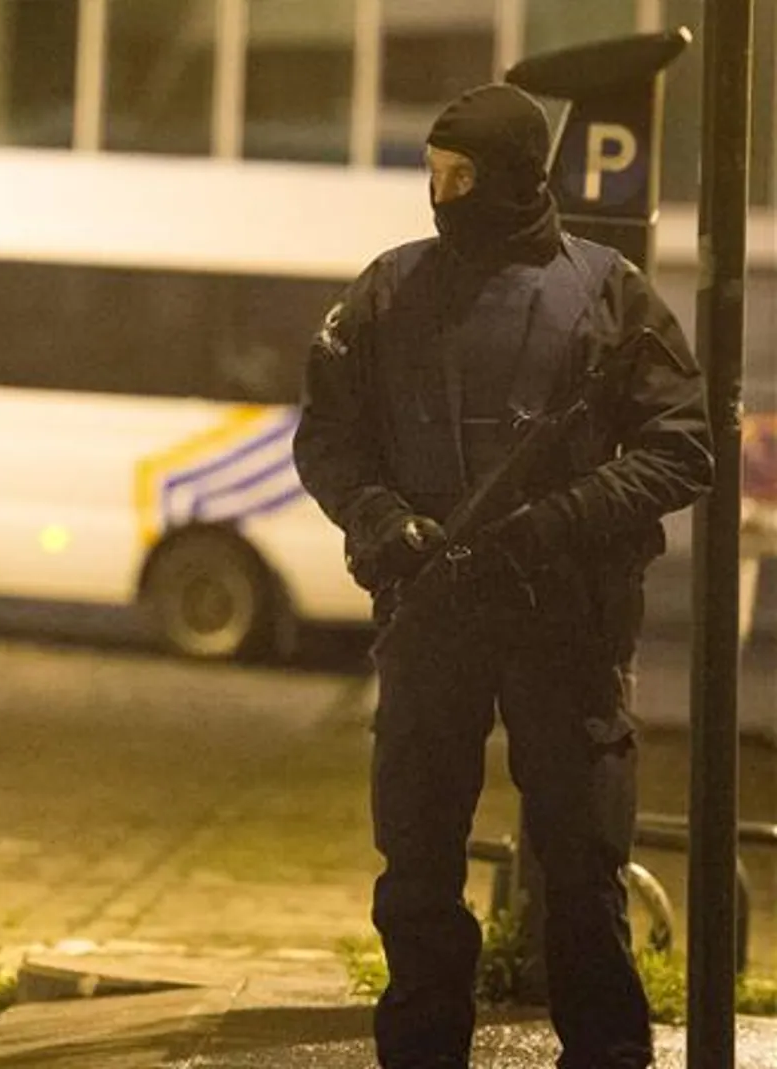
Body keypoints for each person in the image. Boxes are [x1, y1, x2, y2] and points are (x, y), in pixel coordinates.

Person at [293, 83, 713, 1069]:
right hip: (430, 610)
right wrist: (378, 517)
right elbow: (328, 435)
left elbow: (682, 445)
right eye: (434, 174)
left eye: (460, 176)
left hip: (562, 613)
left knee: (580, 861)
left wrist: (560, 522)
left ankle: (605, 1052)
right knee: (415, 865)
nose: (440, 194)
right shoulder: (387, 292)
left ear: (513, 177)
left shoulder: (608, 292)